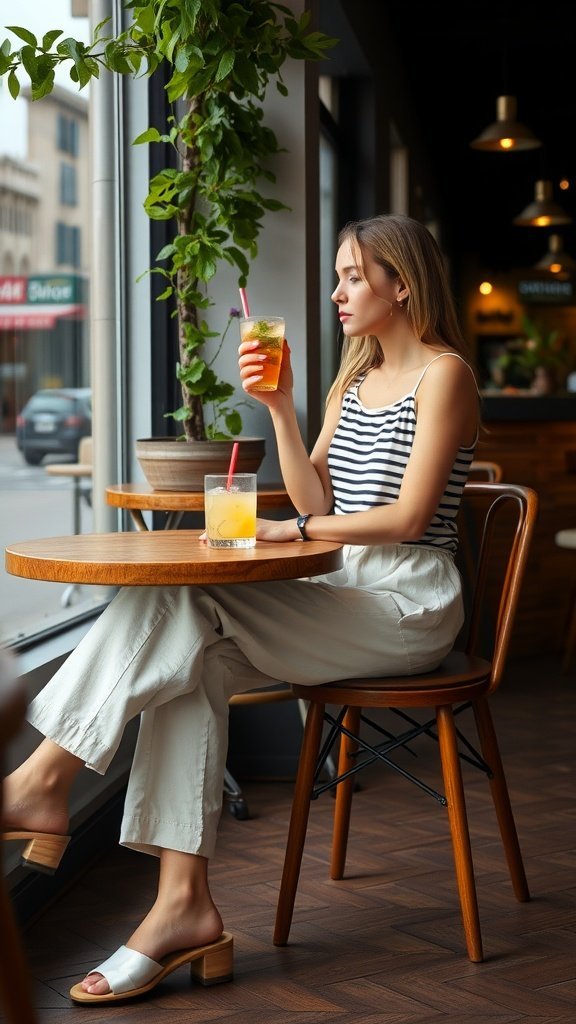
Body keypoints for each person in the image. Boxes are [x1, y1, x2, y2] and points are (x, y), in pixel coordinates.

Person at [2, 214, 479, 1004]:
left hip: (405, 601)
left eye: (353, 276)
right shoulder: (352, 382)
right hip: (340, 592)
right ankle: (182, 908)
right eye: (338, 276)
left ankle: (44, 778)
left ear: (403, 282)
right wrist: (284, 408)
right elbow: (316, 494)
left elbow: (402, 519)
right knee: (190, 664)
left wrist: (290, 529)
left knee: (187, 594)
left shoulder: (445, 375)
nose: (336, 292)